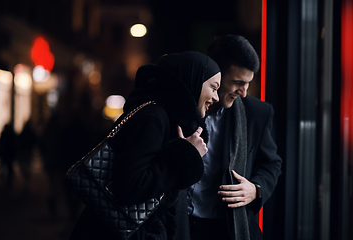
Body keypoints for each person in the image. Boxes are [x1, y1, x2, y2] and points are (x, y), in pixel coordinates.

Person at [69, 51, 221, 240]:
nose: (216, 98)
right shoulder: (154, 117)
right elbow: (130, 186)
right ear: (193, 81)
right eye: (213, 88)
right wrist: (186, 154)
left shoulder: (168, 119)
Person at [187, 35, 282, 240]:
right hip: (182, 225)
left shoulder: (258, 113)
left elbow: (271, 164)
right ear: (215, 74)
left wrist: (255, 189)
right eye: (238, 83)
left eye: (248, 83)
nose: (244, 93)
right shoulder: (182, 109)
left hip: (228, 229)